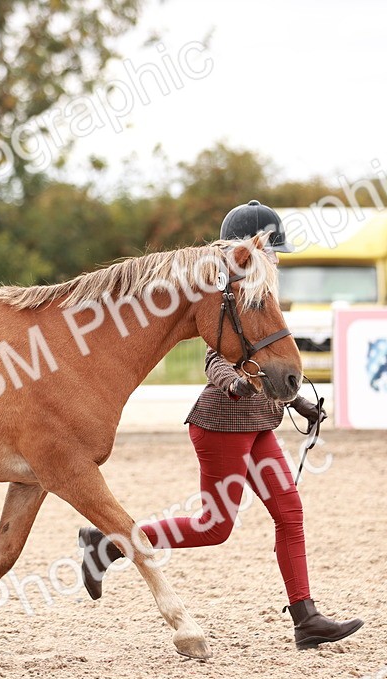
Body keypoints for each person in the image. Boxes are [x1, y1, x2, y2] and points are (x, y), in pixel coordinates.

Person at [78, 200, 363, 650]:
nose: (274, 259)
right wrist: (233, 385)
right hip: (222, 426)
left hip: (259, 426)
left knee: (289, 513)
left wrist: (301, 401)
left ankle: (306, 617)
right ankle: (110, 542)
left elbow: (267, 359)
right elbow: (218, 357)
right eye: (270, 250)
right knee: (215, 526)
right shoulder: (227, 292)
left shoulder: (260, 291)